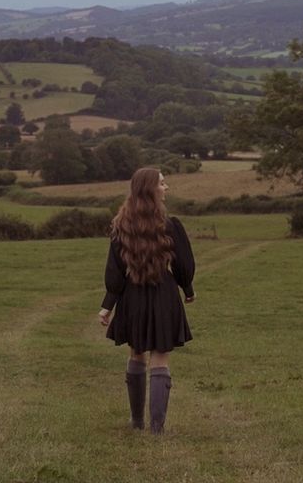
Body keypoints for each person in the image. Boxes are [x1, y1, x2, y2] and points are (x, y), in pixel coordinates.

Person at [98, 167, 196, 434]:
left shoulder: (122, 225)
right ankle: (156, 428)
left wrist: (108, 305)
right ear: (150, 189)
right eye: (162, 184)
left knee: (137, 353)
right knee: (160, 357)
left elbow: (115, 271)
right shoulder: (171, 225)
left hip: (133, 297)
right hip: (164, 295)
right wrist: (187, 289)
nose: (166, 188)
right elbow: (184, 265)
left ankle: (137, 422)